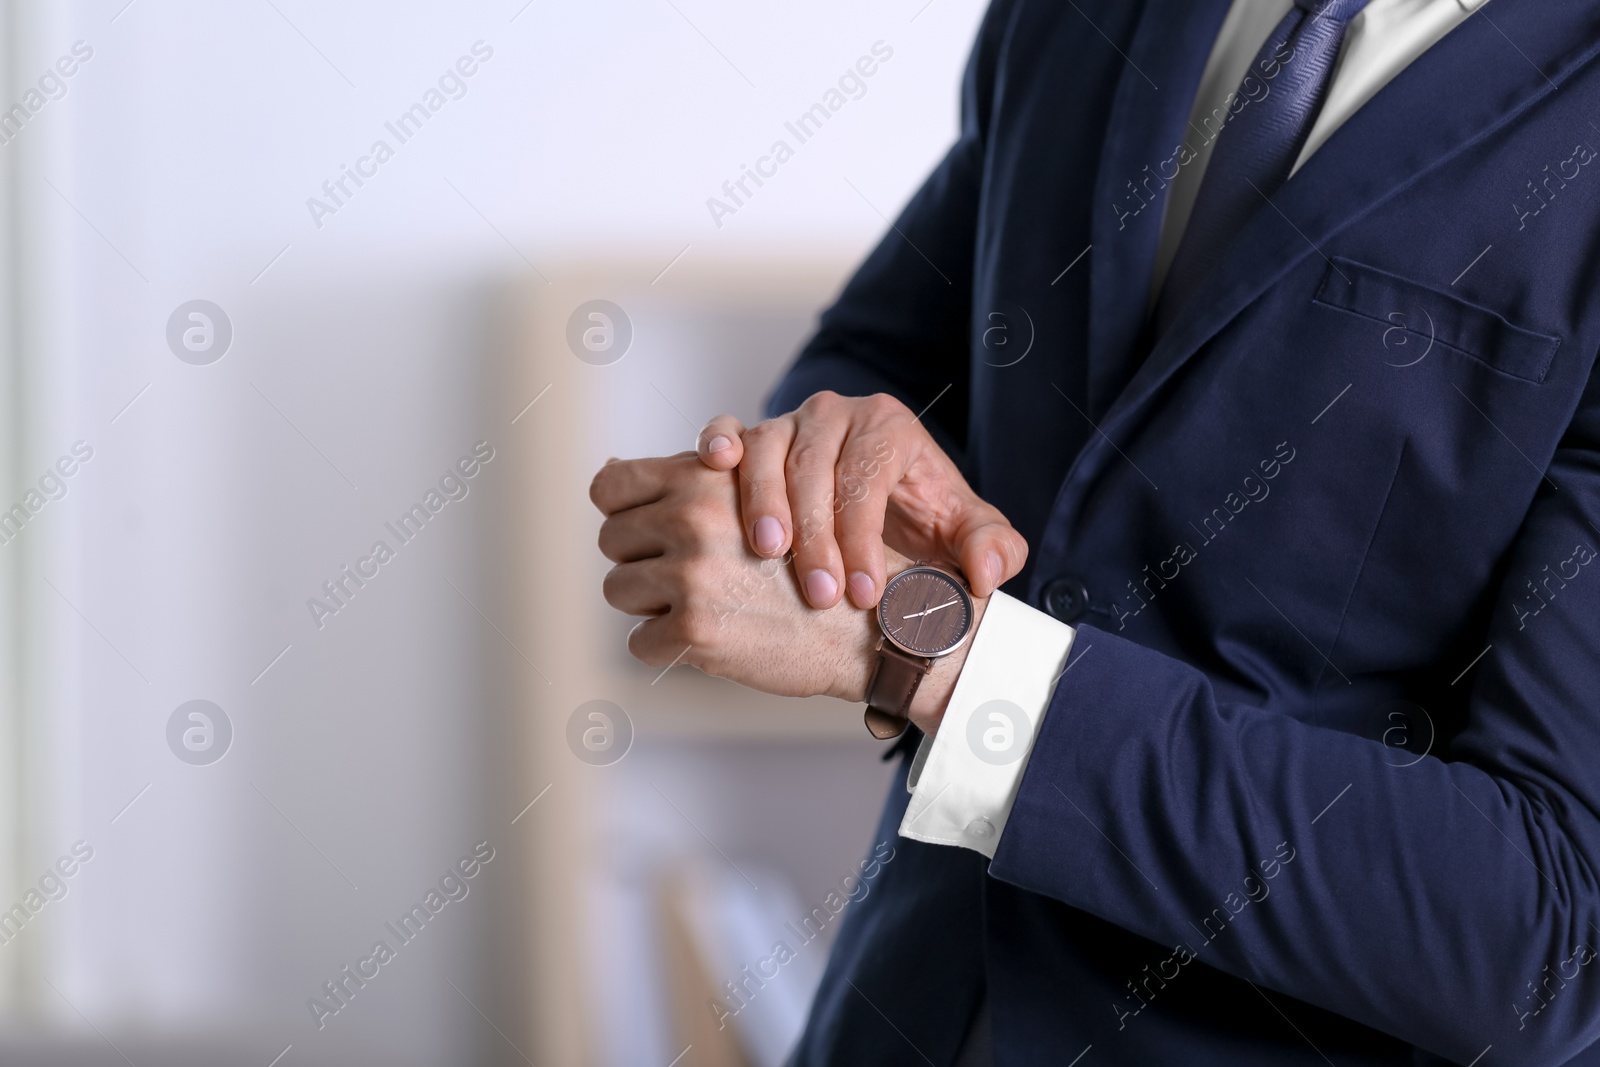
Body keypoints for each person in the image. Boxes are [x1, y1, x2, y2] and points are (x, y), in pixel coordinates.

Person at [593, 0, 1600, 1061]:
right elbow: (883, 348)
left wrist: (931, 649)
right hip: (901, 1007)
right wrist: (824, 480)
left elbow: (1555, 937)